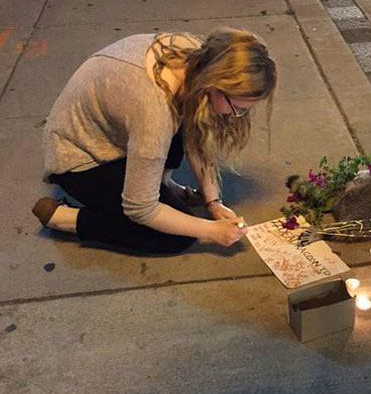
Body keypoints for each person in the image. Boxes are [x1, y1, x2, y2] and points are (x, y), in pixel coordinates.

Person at [32, 28, 277, 255]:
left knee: (188, 125)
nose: (235, 116)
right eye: (237, 108)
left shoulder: (198, 55)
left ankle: (162, 184)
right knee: (174, 238)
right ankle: (65, 218)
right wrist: (211, 231)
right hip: (79, 160)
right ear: (214, 87)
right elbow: (140, 209)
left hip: (112, 133)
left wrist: (213, 202)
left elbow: (197, 131)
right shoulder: (153, 112)